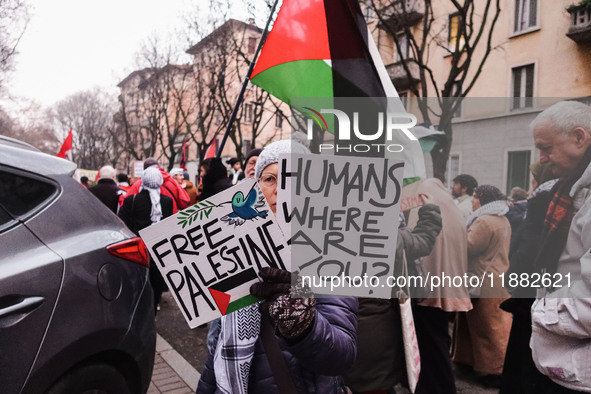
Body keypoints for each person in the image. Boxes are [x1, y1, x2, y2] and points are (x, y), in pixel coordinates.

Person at [197, 139, 358, 393]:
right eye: (270, 179)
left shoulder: (330, 252)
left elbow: (342, 355)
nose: (280, 189)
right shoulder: (235, 247)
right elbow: (217, 347)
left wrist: (302, 323)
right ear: (257, 188)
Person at [528, 101, 591, 393]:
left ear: (580, 138)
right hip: (570, 362)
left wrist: (539, 312)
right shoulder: (571, 188)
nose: (541, 159)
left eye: (546, 147)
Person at [407, 178, 472, 394]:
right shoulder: (452, 209)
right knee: (438, 340)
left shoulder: (422, 206)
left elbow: (418, 245)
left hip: (425, 288)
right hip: (448, 285)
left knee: (429, 345)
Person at [500, 162, 557, 394]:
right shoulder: (550, 200)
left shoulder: (542, 202)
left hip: (532, 297)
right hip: (539, 295)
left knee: (524, 364)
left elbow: (526, 251)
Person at [452, 185, 512, 388]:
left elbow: (468, 246)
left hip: (482, 280)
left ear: (484, 200)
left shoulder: (485, 221)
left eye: (476, 197)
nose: (473, 201)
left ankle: (493, 369)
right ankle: (474, 363)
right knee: (483, 323)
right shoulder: (501, 219)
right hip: (495, 277)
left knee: (487, 326)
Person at [118, 167, 173, 313]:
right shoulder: (167, 202)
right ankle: (153, 311)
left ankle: (137, 313)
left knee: (138, 283)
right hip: (159, 249)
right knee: (155, 284)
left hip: (137, 249)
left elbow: (121, 223)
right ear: (160, 181)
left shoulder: (132, 200)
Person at [125, 158, 190, 213]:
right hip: (170, 223)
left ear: (144, 170)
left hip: (145, 225)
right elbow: (184, 203)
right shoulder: (172, 182)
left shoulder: (138, 184)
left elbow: (126, 206)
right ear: (158, 166)